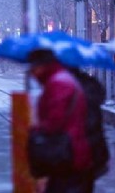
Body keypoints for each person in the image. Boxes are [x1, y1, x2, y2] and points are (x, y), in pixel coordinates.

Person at [27, 49, 93, 193]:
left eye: (33, 68)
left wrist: (34, 129)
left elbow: (54, 122)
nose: (31, 73)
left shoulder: (58, 84)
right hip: (69, 153)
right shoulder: (59, 80)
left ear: (42, 65)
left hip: (67, 155)